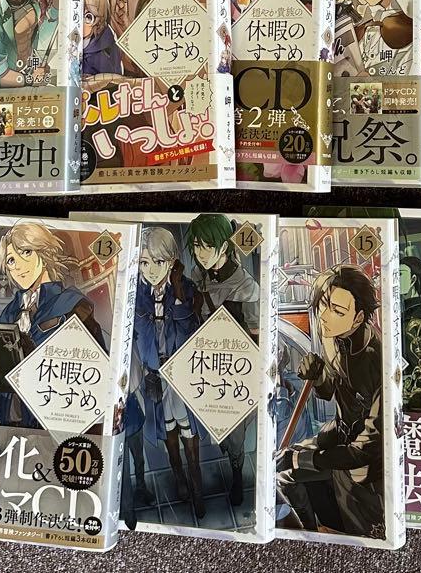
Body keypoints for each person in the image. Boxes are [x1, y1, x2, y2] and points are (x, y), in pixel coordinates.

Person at [276, 264, 383, 537]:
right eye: (323, 305)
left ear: (359, 318)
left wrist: (304, 458)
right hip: (339, 434)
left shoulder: (376, 361)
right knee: (283, 472)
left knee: (357, 523)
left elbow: (365, 448)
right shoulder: (334, 338)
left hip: (366, 466)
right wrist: (318, 375)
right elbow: (327, 393)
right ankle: (312, 531)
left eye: (337, 310)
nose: (324, 316)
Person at [0, 221, 103, 426]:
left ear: (44, 253)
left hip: (52, 426)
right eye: (11, 260)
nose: (17, 265)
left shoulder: (73, 305)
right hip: (10, 430)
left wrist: (35, 359)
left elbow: (92, 381)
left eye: (26, 252)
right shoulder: (8, 315)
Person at [131, 226, 205, 517]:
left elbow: (190, 331)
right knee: (168, 429)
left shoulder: (186, 289)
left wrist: (177, 292)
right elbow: (138, 336)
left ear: (172, 261)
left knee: (189, 430)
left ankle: (197, 485)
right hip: (154, 373)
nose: (150, 269)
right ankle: (179, 478)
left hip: (182, 373)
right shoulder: (138, 294)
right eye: (144, 262)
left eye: (158, 262)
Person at [187, 213, 260, 505]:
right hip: (207, 362)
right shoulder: (199, 276)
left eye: (207, 246)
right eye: (196, 246)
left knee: (235, 433)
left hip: (238, 366)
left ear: (224, 245)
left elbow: (256, 336)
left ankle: (237, 475)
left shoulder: (245, 286)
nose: (200, 253)